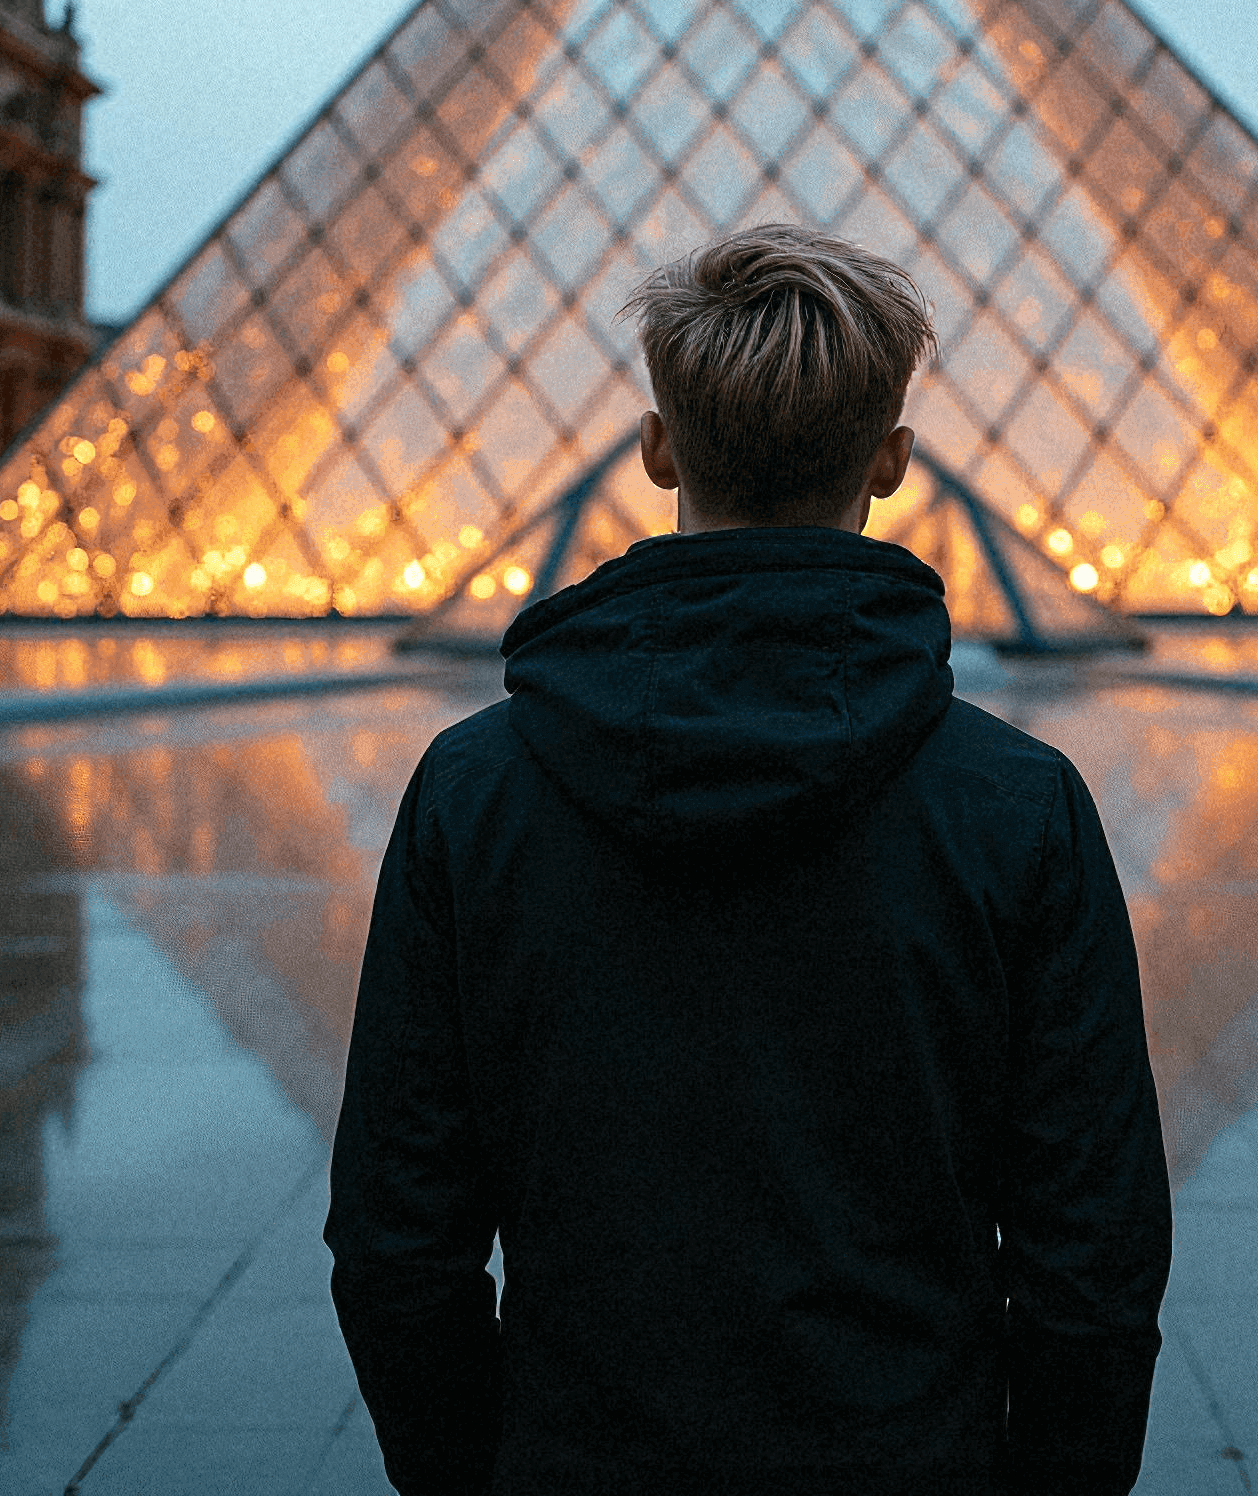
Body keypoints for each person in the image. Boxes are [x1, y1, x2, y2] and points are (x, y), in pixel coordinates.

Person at [327, 224, 1171, 1496]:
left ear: (657, 445)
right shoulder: (1019, 805)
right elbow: (1091, 1255)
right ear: (890, 463)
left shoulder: (472, 787)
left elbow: (399, 1235)